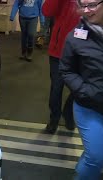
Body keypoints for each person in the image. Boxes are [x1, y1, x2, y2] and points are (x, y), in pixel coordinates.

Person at [59, 0, 103, 179]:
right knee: (96, 157)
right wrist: (86, 91)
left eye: (92, 5)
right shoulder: (76, 36)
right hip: (90, 105)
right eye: (82, 5)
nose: (86, 11)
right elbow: (66, 70)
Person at [42, 0, 80, 134]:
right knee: (56, 88)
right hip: (59, 50)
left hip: (81, 51)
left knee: (80, 88)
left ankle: (68, 112)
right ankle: (54, 119)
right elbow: (47, 11)